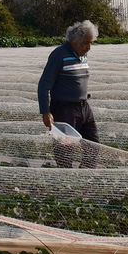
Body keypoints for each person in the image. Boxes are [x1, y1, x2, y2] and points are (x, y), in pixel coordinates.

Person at [37, 20, 99, 166]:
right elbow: (44, 84)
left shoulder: (82, 54)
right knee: (65, 150)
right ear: (75, 41)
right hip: (65, 109)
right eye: (86, 43)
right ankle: (66, 181)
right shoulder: (59, 55)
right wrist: (46, 112)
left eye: (91, 43)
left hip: (84, 107)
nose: (89, 47)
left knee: (93, 146)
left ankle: (85, 178)